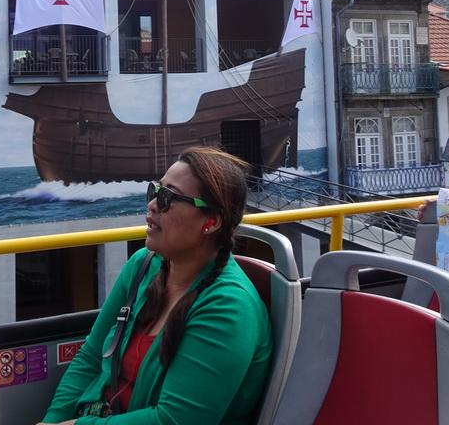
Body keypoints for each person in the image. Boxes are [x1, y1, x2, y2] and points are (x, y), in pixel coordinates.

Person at [38, 146, 273, 425]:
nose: (151, 205)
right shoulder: (143, 266)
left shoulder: (227, 307)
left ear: (210, 222)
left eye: (167, 197)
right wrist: (52, 421)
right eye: (154, 191)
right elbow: (91, 356)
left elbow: (175, 419)